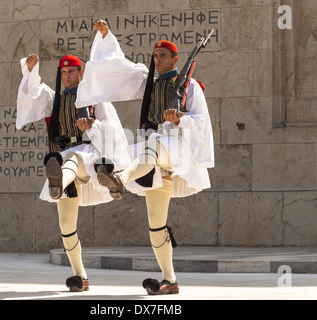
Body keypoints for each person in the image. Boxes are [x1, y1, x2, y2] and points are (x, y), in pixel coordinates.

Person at [76, 20, 215, 295]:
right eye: (155, 55)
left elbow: (201, 122)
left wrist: (181, 118)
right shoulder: (147, 83)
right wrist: (106, 38)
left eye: (163, 55)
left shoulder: (190, 87)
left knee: (150, 147)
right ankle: (169, 280)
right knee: (155, 224)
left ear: (176, 59)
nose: (158, 59)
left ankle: (120, 180)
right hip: (152, 161)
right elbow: (119, 68)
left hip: (177, 150)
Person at [16, 53, 130, 292]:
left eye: (71, 72)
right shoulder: (55, 100)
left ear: (81, 73)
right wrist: (31, 70)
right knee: (66, 225)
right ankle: (81, 276)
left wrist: (93, 126)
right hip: (64, 157)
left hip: (87, 158)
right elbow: (34, 93)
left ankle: (57, 182)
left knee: (73, 158)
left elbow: (113, 129)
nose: (67, 76)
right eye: (64, 72)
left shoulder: (94, 99)